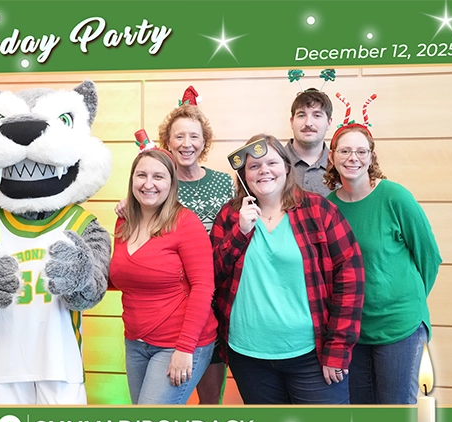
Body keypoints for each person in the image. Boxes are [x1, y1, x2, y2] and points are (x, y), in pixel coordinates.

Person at [211, 134, 364, 404]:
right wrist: (240, 233)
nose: (264, 170)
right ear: (244, 176)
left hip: (312, 354)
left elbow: (351, 279)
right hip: (248, 356)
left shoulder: (319, 210)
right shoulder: (230, 216)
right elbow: (212, 275)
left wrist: (338, 347)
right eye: (254, 166)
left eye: (271, 162)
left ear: (286, 167)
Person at [118, 86, 235, 404]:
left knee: (210, 396)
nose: (186, 143)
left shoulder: (224, 182)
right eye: (179, 136)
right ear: (166, 142)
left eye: (194, 136)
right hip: (172, 299)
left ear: (204, 142)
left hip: (215, 295)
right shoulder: (157, 183)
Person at [324, 121, 442, 404]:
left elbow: (429, 256)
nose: (353, 158)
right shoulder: (328, 207)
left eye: (361, 151)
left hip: (399, 325)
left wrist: (407, 301)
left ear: (372, 156)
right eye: (345, 151)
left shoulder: (395, 197)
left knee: (395, 412)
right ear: (332, 156)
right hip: (354, 330)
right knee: (362, 415)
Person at [109, 146, 218, 405]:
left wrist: (185, 348)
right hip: (135, 342)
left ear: (171, 183)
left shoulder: (186, 223)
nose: (148, 184)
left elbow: (203, 287)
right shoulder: (124, 222)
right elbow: (124, 276)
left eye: (158, 176)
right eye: (141, 175)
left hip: (178, 342)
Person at [285, 88, 334, 196]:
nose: (308, 123)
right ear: (292, 122)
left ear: (329, 123)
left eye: (317, 115)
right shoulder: (273, 163)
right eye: (301, 115)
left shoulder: (340, 166)